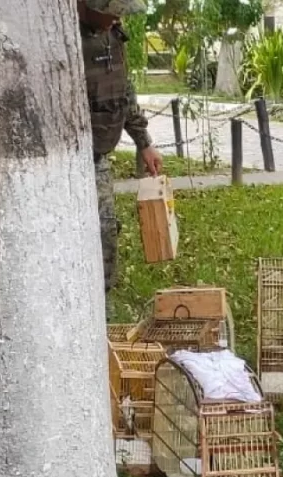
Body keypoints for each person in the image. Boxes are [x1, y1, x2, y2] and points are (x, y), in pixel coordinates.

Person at [78, 0, 164, 297]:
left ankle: (101, 307)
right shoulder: (65, 36)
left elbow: (123, 90)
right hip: (67, 158)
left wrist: (144, 143)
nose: (116, 18)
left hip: (98, 156)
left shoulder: (114, 34)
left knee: (105, 233)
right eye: (111, 11)